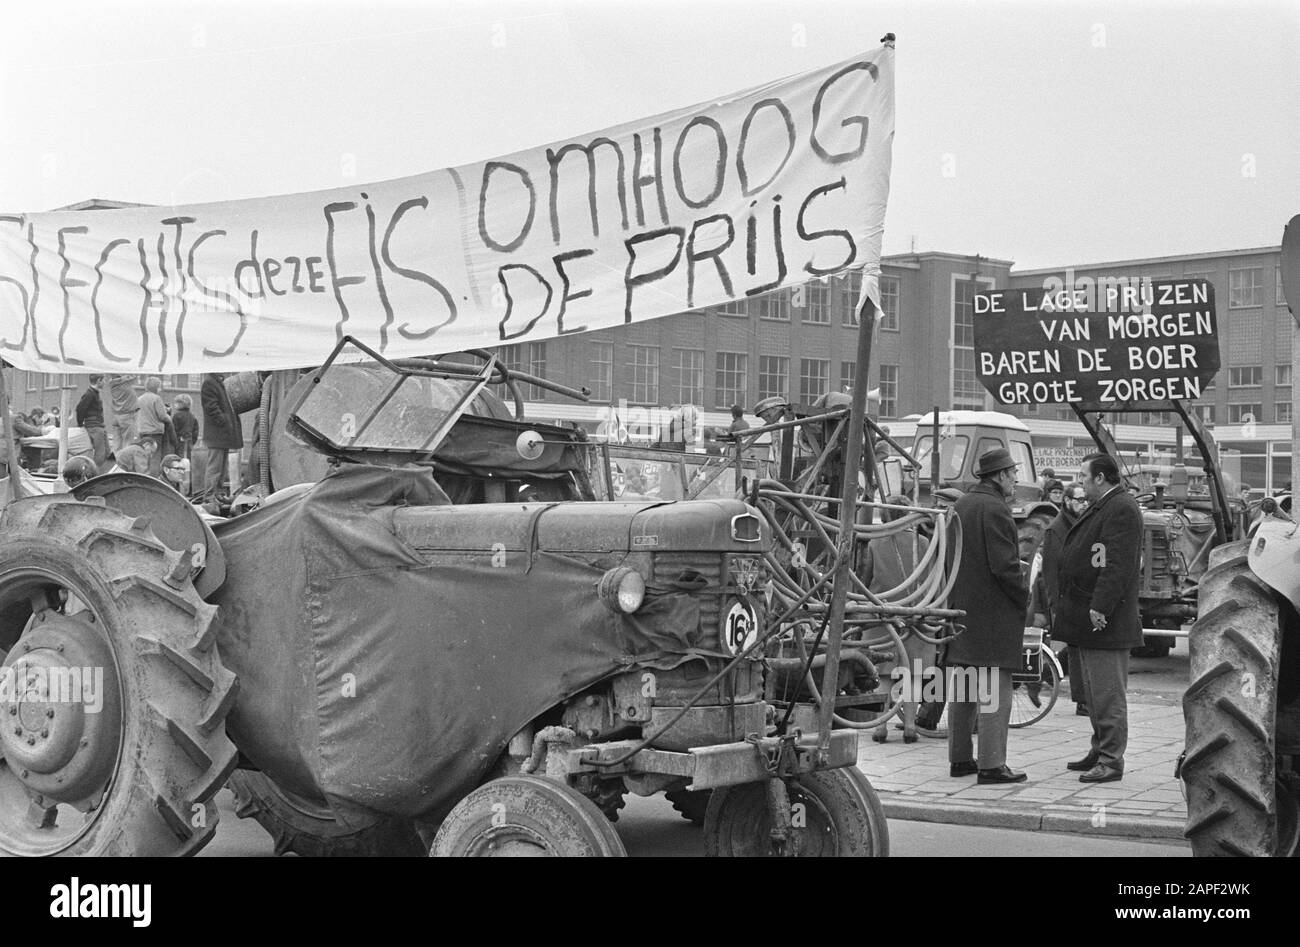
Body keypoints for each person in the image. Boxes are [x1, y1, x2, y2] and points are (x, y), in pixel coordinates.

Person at [1055, 452, 1144, 784]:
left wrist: (1101, 606)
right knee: (1094, 692)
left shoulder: (1121, 508)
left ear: (1100, 478)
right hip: (1088, 619)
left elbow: (1118, 565)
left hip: (1106, 621)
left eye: (1083, 476)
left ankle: (1111, 759)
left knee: (1107, 692)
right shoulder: (1104, 505)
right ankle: (1099, 748)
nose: (1079, 482)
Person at [944, 447, 1030, 784]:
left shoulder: (963, 504)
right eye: (1013, 473)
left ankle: (960, 760)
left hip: (961, 610)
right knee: (995, 690)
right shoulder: (996, 509)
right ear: (1000, 475)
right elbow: (1005, 566)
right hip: (993, 616)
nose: (1016, 479)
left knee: (963, 689)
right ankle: (992, 765)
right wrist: (1024, 595)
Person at [1030, 482, 1090, 716]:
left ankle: (1042, 676)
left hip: (1078, 595)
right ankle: (1082, 701)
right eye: (1079, 500)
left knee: (1076, 645)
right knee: (1077, 649)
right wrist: (1058, 604)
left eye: (1086, 500)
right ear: (1066, 501)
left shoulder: (1078, 523)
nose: (1084, 504)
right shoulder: (1057, 529)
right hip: (1065, 598)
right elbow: (1050, 571)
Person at [200, 372, 243, 507]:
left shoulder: (215, 382)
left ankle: (216, 494)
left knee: (221, 467)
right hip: (217, 433)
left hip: (221, 434)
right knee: (215, 467)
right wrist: (223, 420)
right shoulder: (210, 383)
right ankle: (209, 497)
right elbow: (211, 407)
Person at [134, 377, 173, 477]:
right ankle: (154, 478)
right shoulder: (157, 398)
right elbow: (162, 416)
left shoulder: (139, 399)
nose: (160, 389)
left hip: (142, 432)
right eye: (159, 387)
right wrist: (169, 417)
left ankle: (143, 477)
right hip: (154, 432)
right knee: (155, 457)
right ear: (156, 387)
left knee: (145, 456)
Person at [77, 376, 109, 470]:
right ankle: (93, 473)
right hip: (94, 427)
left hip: (99, 427)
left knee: (107, 451)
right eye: (104, 380)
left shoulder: (94, 393)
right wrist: (80, 424)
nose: (105, 383)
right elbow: (80, 408)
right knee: (100, 454)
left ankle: (97, 471)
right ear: (99, 381)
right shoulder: (89, 394)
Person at [106, 374, 139, 453]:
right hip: (126, 416)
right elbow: (134, 375)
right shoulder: (123, 383)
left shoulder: (113, 385)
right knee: (128, 442)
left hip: (116, 416)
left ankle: (119, 461)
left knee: (117, 443)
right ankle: (125, 461)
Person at [170, 393, 199, 460]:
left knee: (179, 458)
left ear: (180, 404)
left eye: (176, 403)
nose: (175, 405)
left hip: (179, 441)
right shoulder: (192, 416)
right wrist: (193, 441)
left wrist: (174, 441)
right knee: (188, 458)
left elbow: (174, 430)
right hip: (189, 441)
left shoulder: (177, 416)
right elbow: (195, 431)